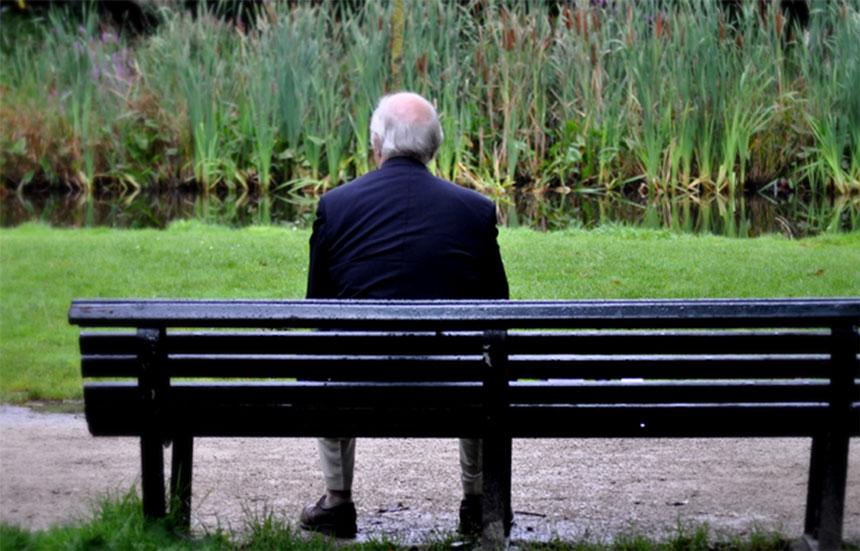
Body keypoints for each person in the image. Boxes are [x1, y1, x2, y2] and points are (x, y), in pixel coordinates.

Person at [300, 91, 509, 538]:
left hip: (356, 383)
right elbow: (498, 310)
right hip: (455, 385)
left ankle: (337, 502)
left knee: (327, 358)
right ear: (434, 148)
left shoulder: (336, 206)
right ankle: (477, 503)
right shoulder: (474, 211)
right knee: (483, 364)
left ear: (377, 142)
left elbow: (317, 306)